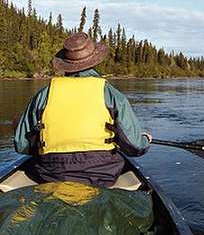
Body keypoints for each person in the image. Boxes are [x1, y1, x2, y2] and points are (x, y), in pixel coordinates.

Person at [14, 32, 151, 187]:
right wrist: (145, 140)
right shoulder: (111, 94)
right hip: (102, 174)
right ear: (95, 61)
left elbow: (21, 145)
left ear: (66, 63)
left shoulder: (43, 94)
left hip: (51, 174)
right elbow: (135, 147)